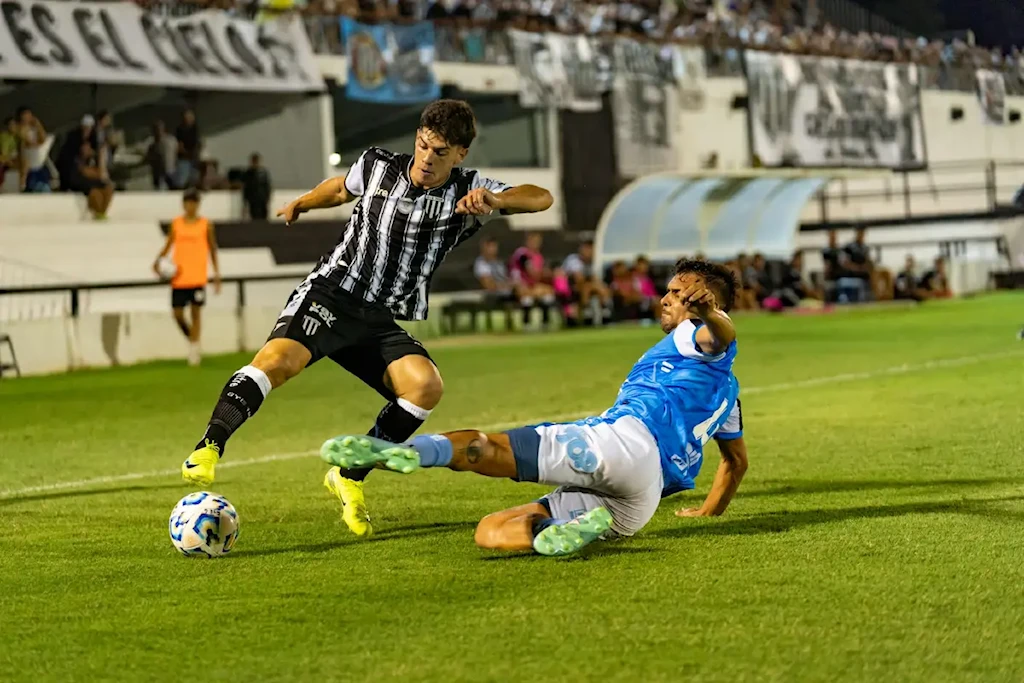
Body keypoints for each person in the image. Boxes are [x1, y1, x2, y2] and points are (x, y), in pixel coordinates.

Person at [179, 99, 553, 538]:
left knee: (424, 386)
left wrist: (497, 198)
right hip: (332, 292)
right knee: (278, 362)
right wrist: (303, 202)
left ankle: (349, 475)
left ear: (460, 155)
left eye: (440, 152)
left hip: (376, 317)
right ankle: (209, 447)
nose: (427, 159)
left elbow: (541, 198)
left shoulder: (470, 191)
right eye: (423, 145)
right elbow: (341, 188)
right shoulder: (379, 164)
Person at [320, 259, 748, 557]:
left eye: (677, 292)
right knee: (490, 531)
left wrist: (709, 313)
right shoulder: (727, 392)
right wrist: (709, 511)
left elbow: (720, 336)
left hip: (623, 445)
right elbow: (736, 462)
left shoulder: (692, 334)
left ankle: (409, 453)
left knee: (489, 448)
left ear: (702, 300)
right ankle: (555, 535)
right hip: (639, 502)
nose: (666, 298)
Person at [153, 189, 222, 366]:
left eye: (194, 203)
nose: (190, 206)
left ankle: (193, 350)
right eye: (187, 203)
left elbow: (212, 248)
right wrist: (158, 261)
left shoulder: (206, 224)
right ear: (184, 204)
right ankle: (193, 339)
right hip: (179, 277)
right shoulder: (176, 224)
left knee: (196, 313)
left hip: (197, 276)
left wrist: (216, 274)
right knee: (177, 314)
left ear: (198, 205)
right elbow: (168, 245)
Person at [561, 240, 611, 325]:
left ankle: (604, 309)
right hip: (570, 288)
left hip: (589, 286)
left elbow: (596, 279)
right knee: (587, 287)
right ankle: (587, 312)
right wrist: (592, 281)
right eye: (586, 249)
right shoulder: (573, 259)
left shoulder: (594, 262)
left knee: (601, 287)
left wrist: (594, 282)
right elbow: (579, 279)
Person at [67, 140, 115, 220]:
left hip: (94, 182)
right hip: (81, 182)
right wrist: (92, 173)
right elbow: (83, 172)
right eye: (85, 147)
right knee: (95, 192)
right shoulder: (77, 160)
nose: (87, 149)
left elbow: (99, 173)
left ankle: (102, 212)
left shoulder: (93, 159)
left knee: (108, 189)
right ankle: (98, 213)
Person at [473, 236, 514, 301]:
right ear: (484, 247)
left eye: (494, 246)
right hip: (492, 297)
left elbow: (508, 279)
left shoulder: (499, 263)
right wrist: (507, 285)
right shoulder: (481, 263)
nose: (493, 249)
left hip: (507, 293)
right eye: (490, 246)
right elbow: (489, 285)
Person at [242, 153, 272, 220]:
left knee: (263, 216)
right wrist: (245, 199)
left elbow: (267, 186)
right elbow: (246, 187)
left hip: (262, 198)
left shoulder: (263, 173)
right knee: (254, 216)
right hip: (253, 199)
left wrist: (268, 197)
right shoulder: (248, 173)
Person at [0, 117, 20, 190]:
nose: (13, 127)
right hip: (4, 159)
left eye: (14, 125)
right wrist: (10, 162)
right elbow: (3, 154)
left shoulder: (17, 137)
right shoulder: (5, 137)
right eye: (10, 125)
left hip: (12, 160)